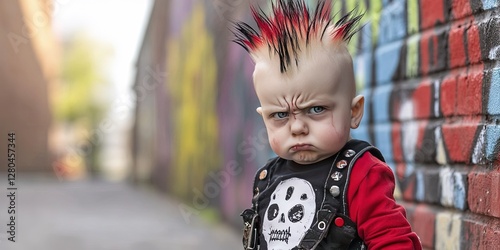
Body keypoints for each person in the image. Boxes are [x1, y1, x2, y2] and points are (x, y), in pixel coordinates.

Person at [233, 0, 422, 249]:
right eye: (280, 115)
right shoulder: (267, 178)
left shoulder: (361, 175)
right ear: (263, 117)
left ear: (354, 112)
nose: (297, 128)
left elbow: (394, 242)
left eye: (316, 109)